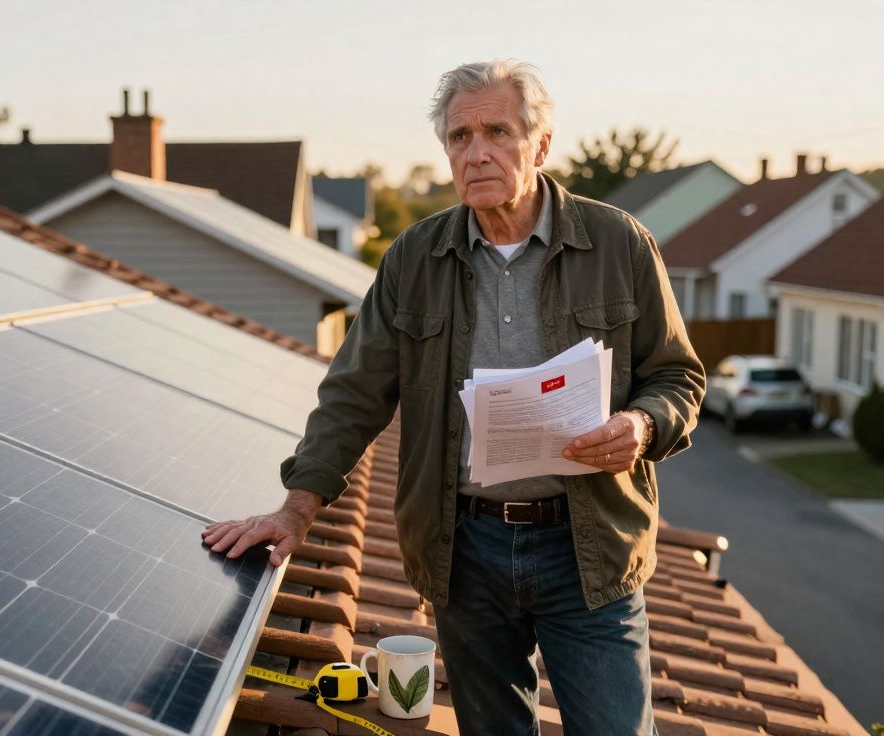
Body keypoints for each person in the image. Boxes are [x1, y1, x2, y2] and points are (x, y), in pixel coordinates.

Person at [202, 59, 704, 735]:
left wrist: (642, 426)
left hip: (589, 547)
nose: (476, 153)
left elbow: (678, 377)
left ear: (541, 145)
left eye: (497, 131)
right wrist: (296, 510)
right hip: (465, 551)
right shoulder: (414, 259)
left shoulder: (619, 244)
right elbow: (353, 394)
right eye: (459, 137)